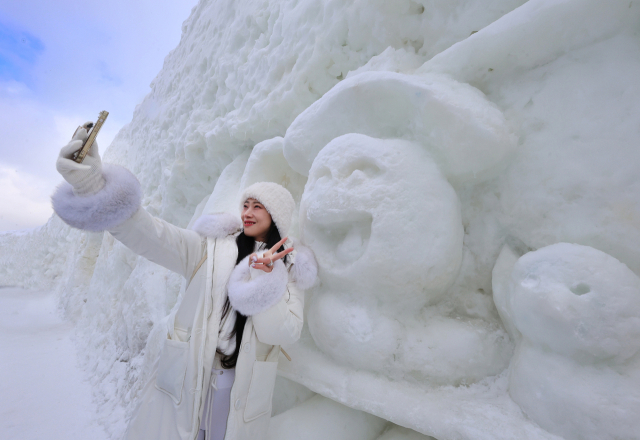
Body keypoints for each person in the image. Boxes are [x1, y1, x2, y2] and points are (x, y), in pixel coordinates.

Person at [51, 126, 318, 440]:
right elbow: (152, 234)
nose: (247, 212)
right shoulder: (209, 248)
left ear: (276, 215)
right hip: (190, 374)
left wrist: (263, 279)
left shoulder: (290, 268)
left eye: (257, 207)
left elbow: (283, 332)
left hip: (241, 386)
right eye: (245, 205)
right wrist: (92, 185)